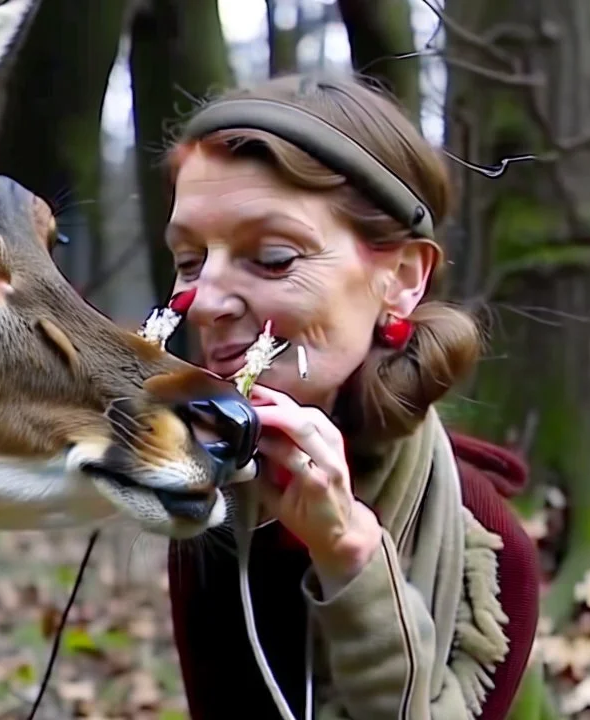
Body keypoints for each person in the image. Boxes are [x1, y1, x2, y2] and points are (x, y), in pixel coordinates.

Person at [160, 73, 541, 720]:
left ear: (400, 278)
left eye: (274, 257)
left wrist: (353, 563)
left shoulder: (491, 549)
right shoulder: (212, 501)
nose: (206, 303)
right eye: (192, 261)